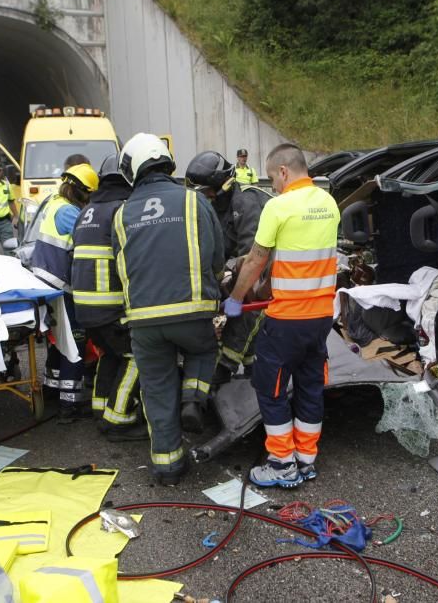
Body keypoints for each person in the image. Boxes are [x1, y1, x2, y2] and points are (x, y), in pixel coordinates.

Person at [223, 143, 340, 488]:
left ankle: (281, 463)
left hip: (287, 318)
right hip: (321, 318)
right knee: (309, 386)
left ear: (284, 172)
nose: (273, 184)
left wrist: (235, 297)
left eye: (273, 177)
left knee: (269, 387)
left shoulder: (278, 206)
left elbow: (257, 259)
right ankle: (306, 458)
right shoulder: (329, 204)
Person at [112, 133, 224, 485]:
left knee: (156, 388)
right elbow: (217, 255)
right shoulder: (194, 201)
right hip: (193, 310)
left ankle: (168, 467)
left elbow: (120, 268)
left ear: (132, 169)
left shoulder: (121, 214)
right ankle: (194, 398)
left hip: (143, 320)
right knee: (205, 349)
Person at [71, 155, 146, 441]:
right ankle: (119, 419)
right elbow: (134, 258)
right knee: (137, 356)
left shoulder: (88, 210)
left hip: (85, 306)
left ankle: (101, 407)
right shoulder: (123, 209)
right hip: (110, 304)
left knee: (111, 353)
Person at [184, 150, 271, 386]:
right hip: (239, 265)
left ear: (223, 186)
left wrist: (233, 290)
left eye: (208, 192)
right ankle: (254, 366)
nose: (205, 198)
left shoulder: (246, 202)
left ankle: (224, 367)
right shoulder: (212, 207)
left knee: (248, 305)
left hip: (264, 267)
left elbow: (253, 259)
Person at [31, 162, 99, 422]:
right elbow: (90, 242)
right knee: (75, 342)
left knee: (59, 339)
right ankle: (68, 406)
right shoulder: (70, 213)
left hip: (47, 282)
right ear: (83, 192)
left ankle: (52, 388)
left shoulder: (53, 203)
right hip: (62, 285)